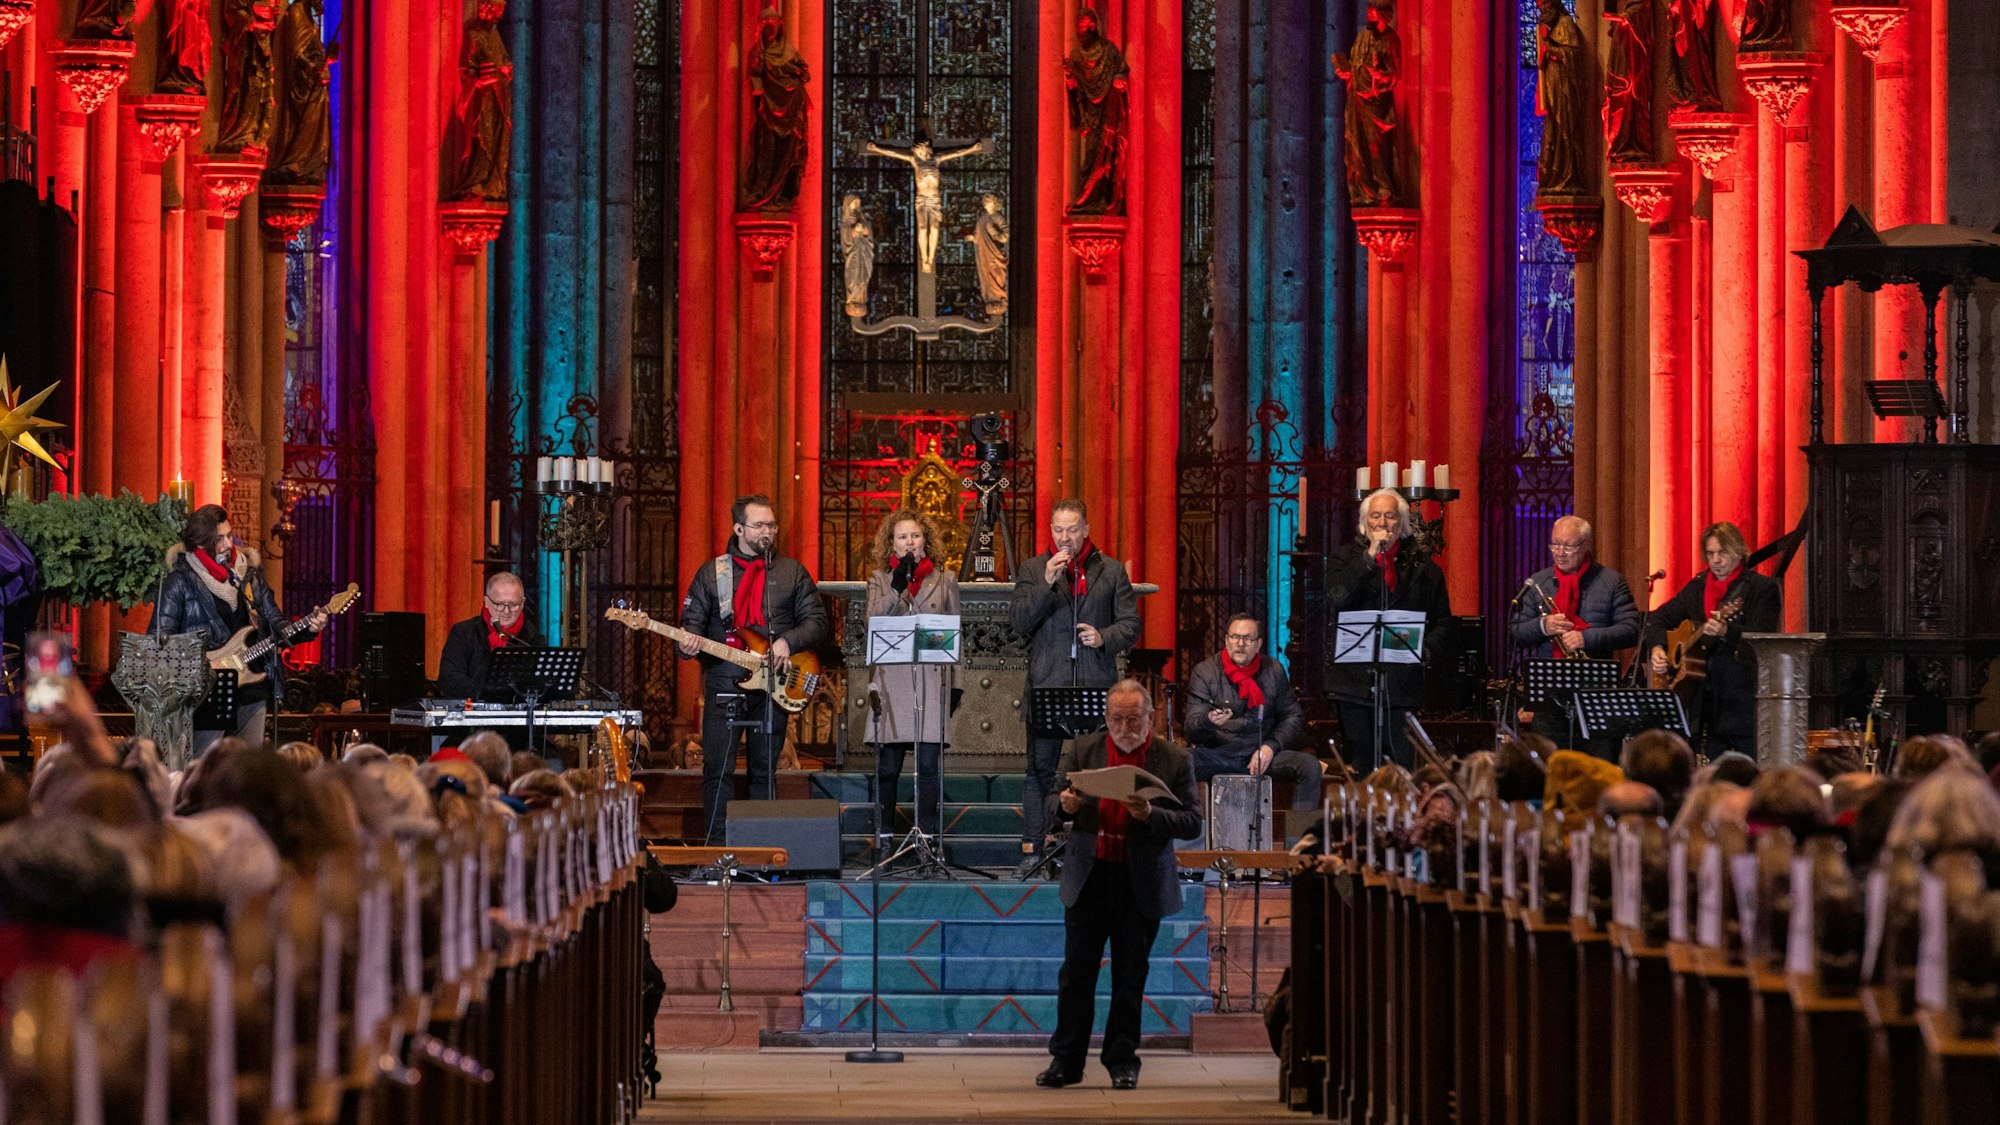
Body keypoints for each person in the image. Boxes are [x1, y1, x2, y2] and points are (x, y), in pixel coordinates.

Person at [1037, 680, 1200, 1091]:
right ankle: (1066, 1061)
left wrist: (1150, 814)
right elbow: (1051, 801)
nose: (1125, 726)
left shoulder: (1174, 759)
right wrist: (1065, 806)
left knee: (1130, 978)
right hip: (1090, 877)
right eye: (1116, 719)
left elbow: (1192, 822)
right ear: (1106, 718)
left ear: (1151, 717)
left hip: (1139, 880)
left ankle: (1122, 1060)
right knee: (1076, 975)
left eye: (1133, 718)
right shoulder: (1082, 749)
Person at [676, 494, 828, 845]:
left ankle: (761, 850)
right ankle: (718, 851)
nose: (767, 532)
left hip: (773, 685)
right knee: (718, 771)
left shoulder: (791, 572)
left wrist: (787, 641)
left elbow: (817, 621)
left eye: (771, 525)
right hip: (724, 684)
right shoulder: (713, 573)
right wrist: (686, 643)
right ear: (739, 528)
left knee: (765, 771)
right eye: (759, 525)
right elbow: (691, 624)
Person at [1009, 499, 1141, 879]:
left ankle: (1105, 847)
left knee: (1100, 770)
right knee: (1039, 772)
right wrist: (1046, 584)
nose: (1065, 538)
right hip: (1047, 685)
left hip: (1096, 686)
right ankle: (1033, 850)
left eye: (1072, 530)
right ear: (1050, 532)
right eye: (1058, 530)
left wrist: (1104, 637)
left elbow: (1131, 625)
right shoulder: (1033, 569)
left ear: (1085, 530)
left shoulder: (1111, 570)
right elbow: (1018, 622)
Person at [151, 504, 324, 754]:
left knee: (247, 771)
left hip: (252, 690)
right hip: (208, 691)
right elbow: (159, 642)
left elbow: (277, 625)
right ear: (200, 543)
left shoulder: (249, 577)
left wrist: (309, 627)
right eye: (218, 538)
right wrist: (202, 665)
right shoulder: (180, 582)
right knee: (206, 771)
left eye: (229, 535)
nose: (227, 544)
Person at [1324, 488, 1452, 771]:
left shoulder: (1425, 568)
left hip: (1402, 684)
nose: (1382, 523)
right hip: (1355, 686)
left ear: (1402, 524)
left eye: (1390, 516)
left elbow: (1443, 622)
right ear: (1364, 522)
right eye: (1375, 516)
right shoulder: (1344, 559)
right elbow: (1337, 596)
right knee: (1361, 768)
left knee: (1401, 768)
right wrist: (1369, 557)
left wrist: (1424, 650)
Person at [1641, 522, 1781, 758]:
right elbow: (1657, 619)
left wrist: (1728, 631)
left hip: (1742, 698)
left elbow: (1764, 638)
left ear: (1738, 551)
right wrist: (1657, 648)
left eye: (1722, 552)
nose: (1715, 560)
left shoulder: (1761, 588)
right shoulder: (1697, 587)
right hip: (1701, 700)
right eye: (1710, 553)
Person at [864, 508, 960, 846]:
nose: (910, 542)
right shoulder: (879, 579)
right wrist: (897, 586)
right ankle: (886, 836)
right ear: (892, 543)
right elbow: (874, 620)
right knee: (888, 768)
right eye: (902, 537)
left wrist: (956, 685)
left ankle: (927, 839)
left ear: (925, 541)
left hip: (932, 682)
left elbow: (954, 630)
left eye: (915, 536)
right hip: (893, 682)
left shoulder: (945, 579)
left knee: (929, 769)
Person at [1507, 514, 1640, 747]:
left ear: (1586, 546)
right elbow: (1515, 632)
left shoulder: (1611, 581)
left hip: (1598, 698)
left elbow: (1631, 629)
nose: (1560, 552)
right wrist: (1542, 627)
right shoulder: (1538, 583)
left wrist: (1585, 637)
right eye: (1555, 544)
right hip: (1549, 698)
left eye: (1568, 546)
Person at [1182, 613, 1323, 821]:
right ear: (1226, 640)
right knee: (1178, 762)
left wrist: (1270, 746)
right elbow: (1191, 728)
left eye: (1247, 639)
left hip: (1261, 754)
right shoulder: (1205, 672)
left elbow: (1293, 717)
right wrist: (1208, 721)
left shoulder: (1273, 670)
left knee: (1310, 766)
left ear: (1258, 644)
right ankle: (1190, 839)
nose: (1240, 644)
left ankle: (1298, 845)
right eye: (1235, 637)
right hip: (1219, 753)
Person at [437, 571, 546, 700]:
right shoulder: (464, 632)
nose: (506, 611)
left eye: (513, 605)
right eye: (499, 604)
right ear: (486, 602)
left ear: (522, 603)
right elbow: (449, 679)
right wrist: (487, 693)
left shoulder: (533, 637)